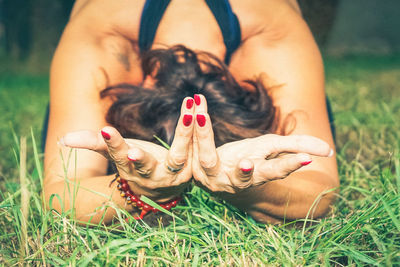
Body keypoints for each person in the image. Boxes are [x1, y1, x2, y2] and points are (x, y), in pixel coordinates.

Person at [43, 0, 339, 224]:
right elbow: (60, 192)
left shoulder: (271, 35)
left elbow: (319, 185)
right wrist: (140, 189)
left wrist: (245, 187)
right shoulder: (101, 36)